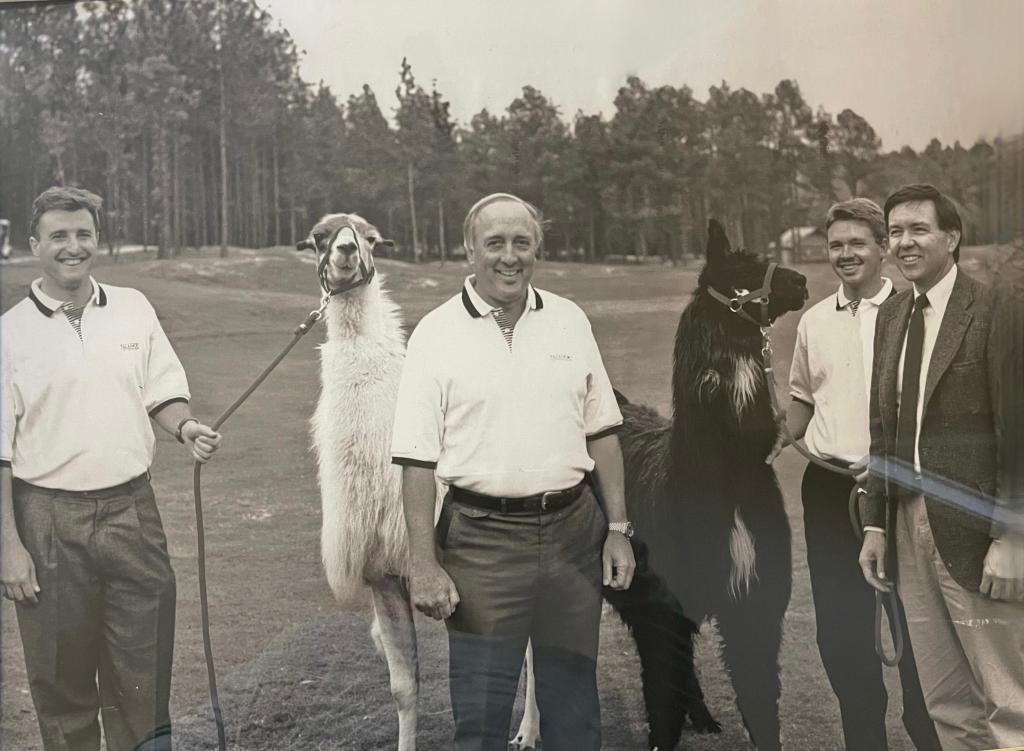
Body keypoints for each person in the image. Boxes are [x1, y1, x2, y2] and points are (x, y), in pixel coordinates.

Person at [391, 193, 635, 750]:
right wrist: (423, 563)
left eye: (521, 243)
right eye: (495, 243)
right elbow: (415, 459)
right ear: (469, 250)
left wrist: (618, 529)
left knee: (574, 713)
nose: (509, 257)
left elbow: (602, 432)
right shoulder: (435, 332)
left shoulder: (569, 320)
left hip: (575, 533)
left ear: (537, 249)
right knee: (480, 721)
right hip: (481, 542)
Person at [0, 186, 222, 751]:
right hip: (46, 521)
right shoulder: (9, 333)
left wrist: (184, 426)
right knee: (63, 686)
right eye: (59, 236)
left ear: (97, 240)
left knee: (142, 683)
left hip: (132, 512)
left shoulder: (133, 307)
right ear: (35, 245)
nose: (72, 247)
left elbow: (163, 392)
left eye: (83, 234)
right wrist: (9, 547)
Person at [858, 184, 1024, 751]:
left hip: (978, 535)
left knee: (1009, 704)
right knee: (947, 704)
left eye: (918, 229)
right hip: (907, 528)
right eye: (896, 231)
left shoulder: (997, 311)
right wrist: (877, 524)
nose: (904, 242)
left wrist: (1010, 536)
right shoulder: (892, 315)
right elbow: (882, 429)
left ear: (952, 238)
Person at [784, 198, 939, 750]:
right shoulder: (814, 321)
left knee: (919, 628)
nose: (845, 255)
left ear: (882, 249)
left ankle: (928, 734)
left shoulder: (915, 314)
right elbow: (804, 401)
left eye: (857, 243)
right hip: (829, 491)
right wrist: (772, 434)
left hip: (901, 491)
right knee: (842, 633)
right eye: (836, 245)